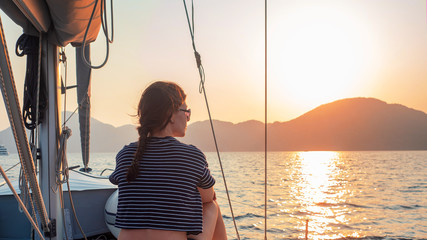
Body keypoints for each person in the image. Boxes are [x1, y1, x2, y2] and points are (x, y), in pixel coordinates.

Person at [109, 81, 227, 240]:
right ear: (171, 114)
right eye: (187, 112)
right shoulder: (192, 156)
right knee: (212, 205)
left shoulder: (124, 154)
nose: (189, 118)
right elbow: (208, 197)